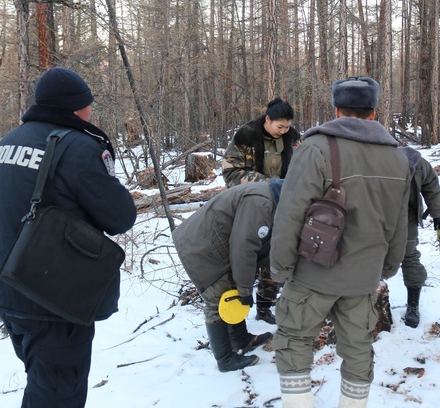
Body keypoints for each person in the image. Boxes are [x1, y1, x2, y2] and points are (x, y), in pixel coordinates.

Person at [0, 67, 137, 408]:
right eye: (88, 104)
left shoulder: (9, 141)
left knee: (45, 382)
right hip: (53, 298)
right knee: (59, 393)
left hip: (7, 285)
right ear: (77, 107)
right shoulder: (79, 146)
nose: (91, 111)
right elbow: (120, 217)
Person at [270, 77, 411, 408]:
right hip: (363, 276)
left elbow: (290, 212)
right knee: (359, 348)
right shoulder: (398, 157)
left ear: (336, 109)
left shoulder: (316, 148)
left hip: (313, 271)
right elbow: (400, 221)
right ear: (374, 113)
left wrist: (281, 265)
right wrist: (388, 267)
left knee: (292, 341)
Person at [172, 180, 282, 372]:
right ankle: (224, 359)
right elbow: (244, 247)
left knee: (232, 290)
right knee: (219, 298)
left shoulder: (275, 200)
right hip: (202, 244)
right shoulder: (261, 202)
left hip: (219, 242)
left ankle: (240, 339)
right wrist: (245, 288)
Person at [222, 97, 301, 325]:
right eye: (279, 126)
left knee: (276, 254)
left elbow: (305, 166)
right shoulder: (246, 136)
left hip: (283, 204)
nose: (283, 131)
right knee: (245, 253)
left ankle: (265, 306)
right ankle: (235, 307)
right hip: (251, 204)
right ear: (268, 119)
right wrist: (266, 184)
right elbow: (231, 173)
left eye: (287, 127)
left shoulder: (293, 139)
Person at [397, 147, 440, 328]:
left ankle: (413, 305)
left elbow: (431, 184)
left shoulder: (411, 159)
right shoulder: (361, 157)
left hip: (406, 218)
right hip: (370, 220)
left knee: (409, 256)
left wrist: (438, 215)